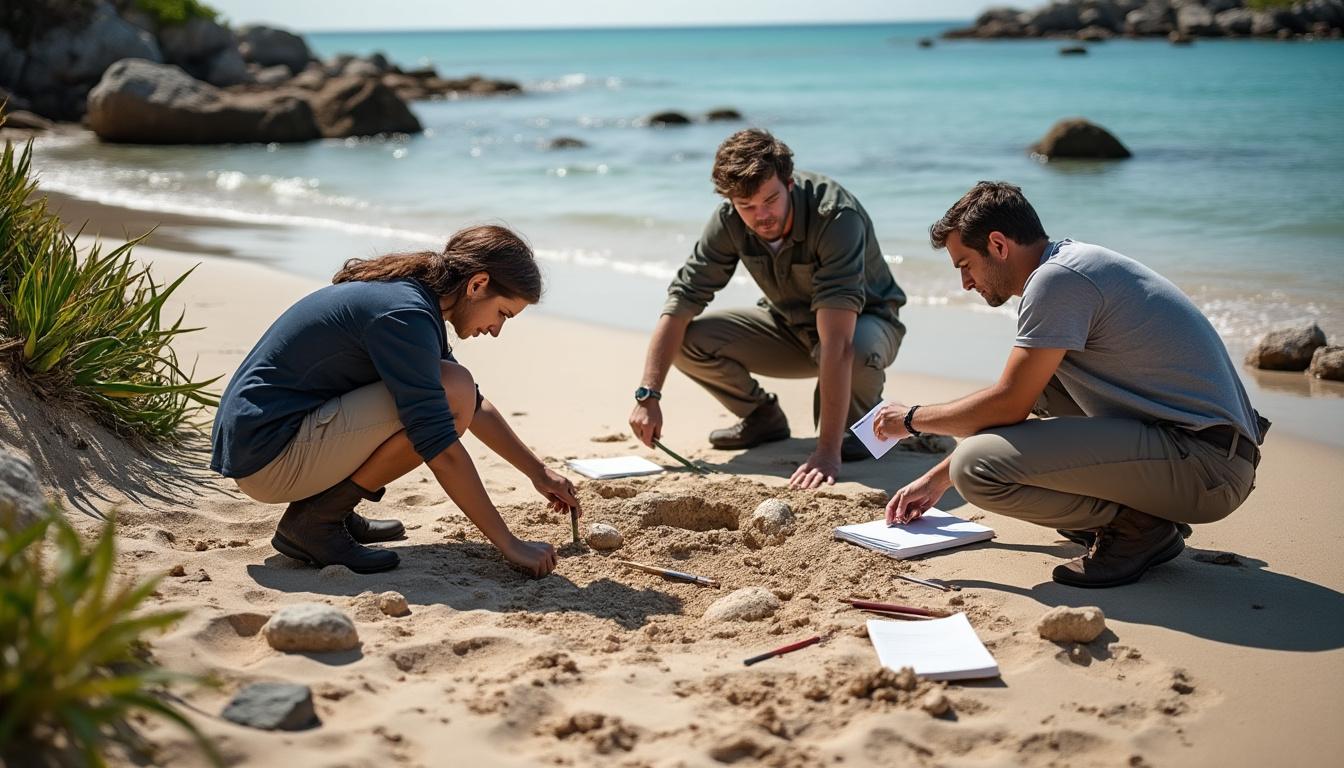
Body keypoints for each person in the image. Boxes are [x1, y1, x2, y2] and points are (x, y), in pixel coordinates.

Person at [873, 181, 1266, 588]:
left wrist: (912, 420)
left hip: (1207, 468)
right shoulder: (1070, 265)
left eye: (964, 265)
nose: (965, 284)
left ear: (998, 244)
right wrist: (935, 480)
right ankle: (1138, 523)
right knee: (1044, 390)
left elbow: (1007, 405)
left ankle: (1139, 528)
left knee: (975, 468)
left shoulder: (1056, 281)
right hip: (1208, 455)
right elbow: (1020, 402)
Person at [210, 225, 579, 576]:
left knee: (454, 387)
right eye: (502, 313)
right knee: (452, 392)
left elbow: (475, 404)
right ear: (478, 284)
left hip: (265, 441)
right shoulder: (405, 314)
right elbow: (441, 445)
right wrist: (510, 544)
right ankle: (316, 521)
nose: (497, 330)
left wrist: (538, 472)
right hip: (268, 457)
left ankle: (326, 508)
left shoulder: (412, 297)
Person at [629, 128, 908, 489]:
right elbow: (680, 303)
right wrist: (648, 395)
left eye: (770, 200)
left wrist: (826, 452)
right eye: (746, 206)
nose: (761, 216)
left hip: (865, 325)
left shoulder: (836, 216)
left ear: (789, 183)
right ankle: (762, 419)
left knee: (852, 417)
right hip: (788, 327)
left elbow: (837, 343)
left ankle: (867, 418)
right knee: (687, 340)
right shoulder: (728, 219)